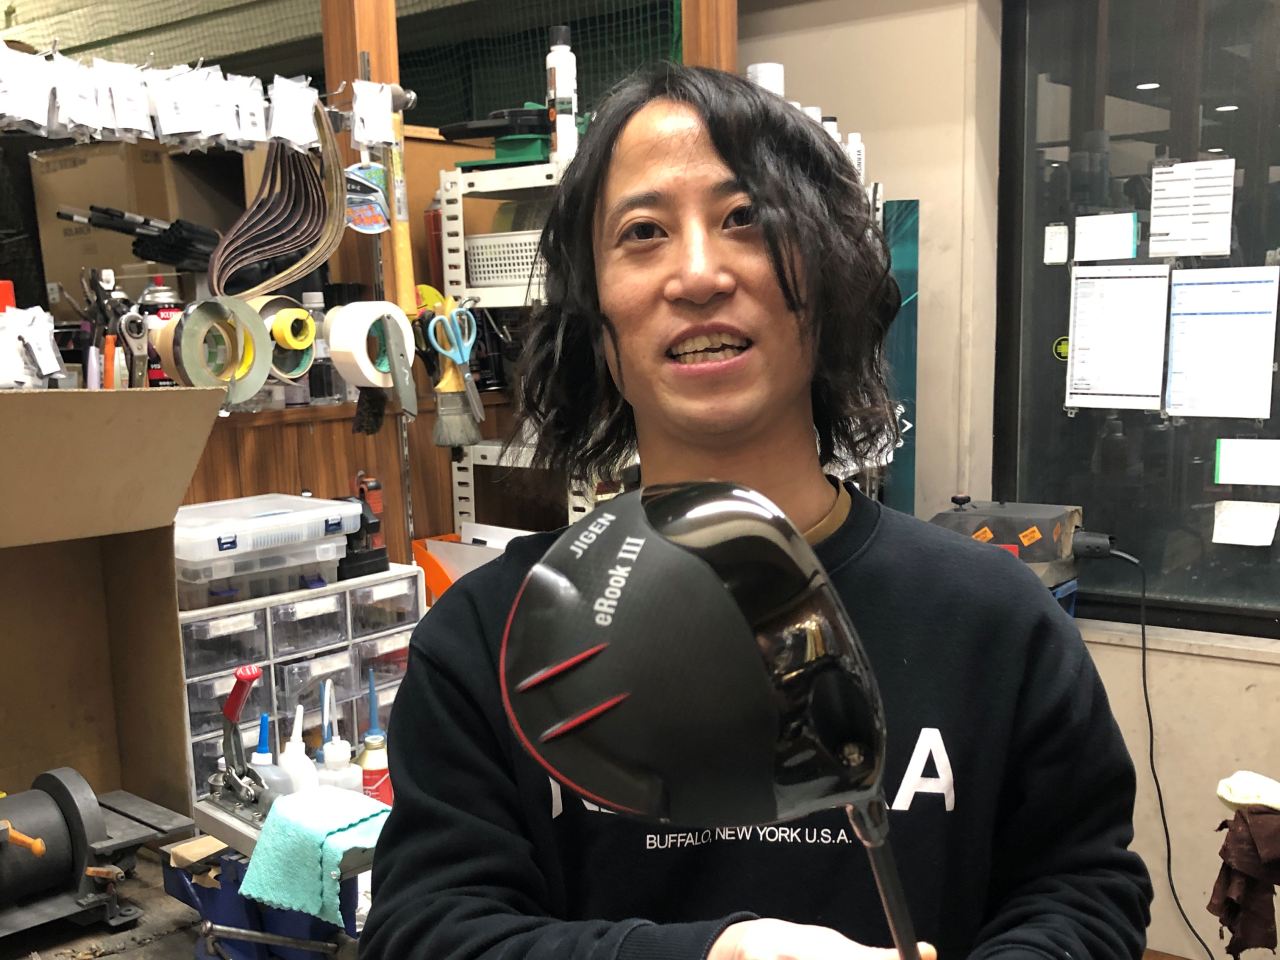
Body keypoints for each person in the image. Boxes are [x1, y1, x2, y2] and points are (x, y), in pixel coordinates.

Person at [360, 63, 1152, 960]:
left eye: (747, 218)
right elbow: (427, 930)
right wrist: (715, 957)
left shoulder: (991, 620)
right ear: (596, 322)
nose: (698, 274)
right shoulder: (493, 638)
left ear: (832, 276)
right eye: (643, 232)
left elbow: (1082, 889)